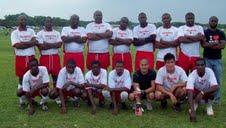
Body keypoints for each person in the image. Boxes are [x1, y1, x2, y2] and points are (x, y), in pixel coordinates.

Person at [11, 15, 38, 108]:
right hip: (20, 58)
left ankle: (31, 98)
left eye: (25, 19)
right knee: (21, 79)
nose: (24, 21)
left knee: (31, 79)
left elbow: (35, 41)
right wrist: (30, 43)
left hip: (31, 57)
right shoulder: (15, 32)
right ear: (18, 21)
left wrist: (23, 43)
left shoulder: (31, 31)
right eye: (21, 19)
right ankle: (22, 101)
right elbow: (17, 46)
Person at [202, 16, 226, 104]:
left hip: (217, 60)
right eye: (212, 21)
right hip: (207, 59)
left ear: (217, 22)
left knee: (217, 80)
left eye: (215, 21)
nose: (213, 22)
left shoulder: (221, 33)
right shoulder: (205, 32)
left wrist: (210, 44)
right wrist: (216, 43)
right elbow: (203, 45)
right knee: (207, 80)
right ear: (209, 22)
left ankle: (217, 99)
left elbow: (222, 46)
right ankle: (206, 98)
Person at [37, 17, 62, 87]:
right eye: (47, 22)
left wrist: (47, 44)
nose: (49, 23)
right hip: (45, 57)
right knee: (43, 76)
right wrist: (54, 45)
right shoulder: (40, 33)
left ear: (53, 23)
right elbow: (41, 47)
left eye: (50, 22)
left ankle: (56, 92)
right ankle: (44, 93)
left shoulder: (57, 33)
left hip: (55, 57)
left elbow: (59, 45)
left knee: (56, 76)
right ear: (44, 23)